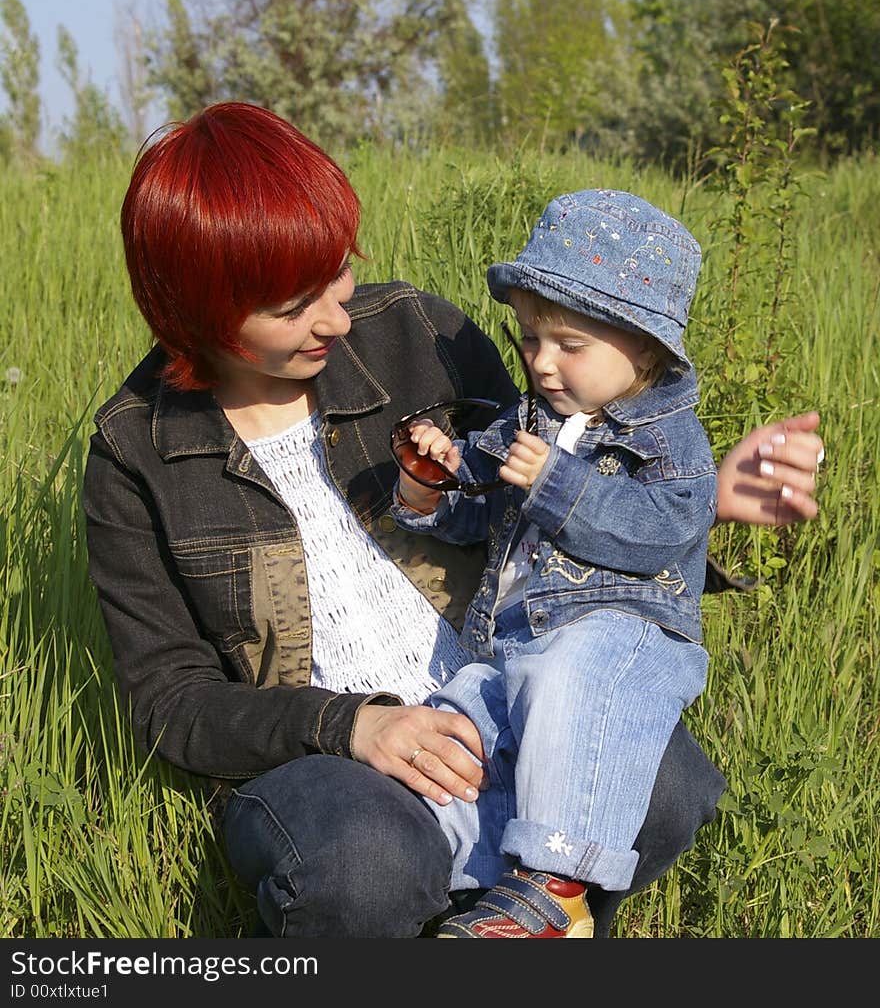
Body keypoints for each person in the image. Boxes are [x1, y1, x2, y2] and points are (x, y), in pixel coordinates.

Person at [81, 102, 824, 940]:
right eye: (293, 305)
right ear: (198, 313)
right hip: (324, 754)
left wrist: (699, 502)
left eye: (334, 272)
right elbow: (173, 702)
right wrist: (351, 723)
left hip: (501, 684)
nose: (333, 314)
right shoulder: (133, 453)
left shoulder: (415, 333)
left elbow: (534, 510)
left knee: (669, 783)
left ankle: (523, 920)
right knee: (366, 865)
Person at [391, 190, 716, 938]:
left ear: (644, 346)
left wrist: (556, 484)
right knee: (455, 724)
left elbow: (660, 531)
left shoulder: (670, 438)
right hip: (513, 646)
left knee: (569, 677)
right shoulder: (529, 421)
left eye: (568, 344)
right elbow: (482, 510)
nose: (540, 362)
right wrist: (431, 482)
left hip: (622, 638)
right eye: (532, 337)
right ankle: (464, 888)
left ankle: (557, 891)